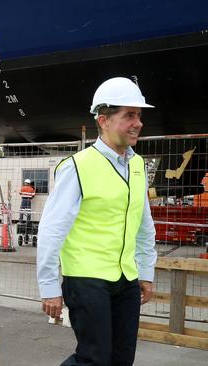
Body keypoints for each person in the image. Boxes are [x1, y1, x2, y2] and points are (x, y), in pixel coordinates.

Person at [36, 77, 158, 365]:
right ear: (103, 120)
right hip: (87, 279)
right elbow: (52, 230)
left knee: (121, 358)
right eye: (129, 115)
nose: (138, 123)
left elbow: (143, 224)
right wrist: (50, 287)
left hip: (125, 278)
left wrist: (145, 271)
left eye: (139, 115)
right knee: (94, 358)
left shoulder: (137, 165)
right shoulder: (77, 167)